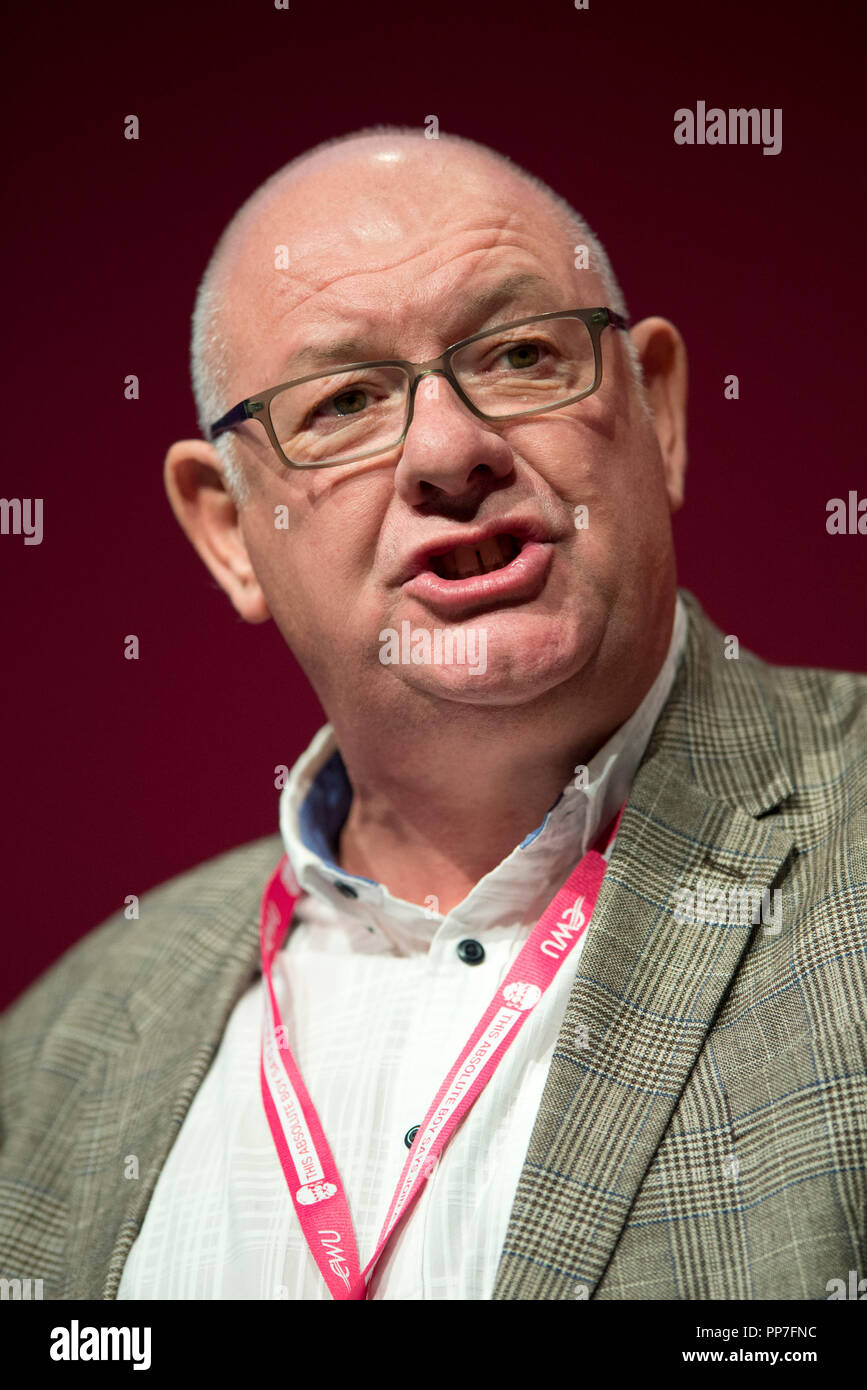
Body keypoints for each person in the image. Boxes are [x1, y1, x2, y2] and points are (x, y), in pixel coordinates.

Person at [1, 126, 864, 1302]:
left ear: (659, 412)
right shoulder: (55, 1053)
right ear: (229, 531)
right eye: (346, 399)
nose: (452, 451)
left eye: (516, 354)